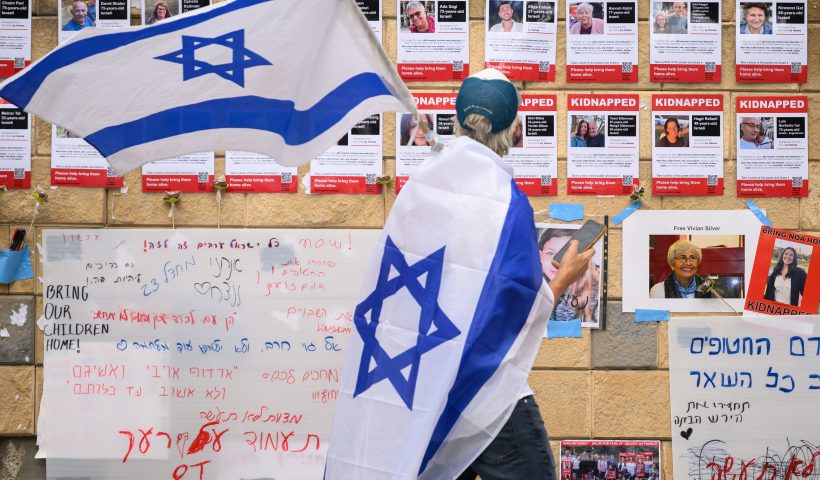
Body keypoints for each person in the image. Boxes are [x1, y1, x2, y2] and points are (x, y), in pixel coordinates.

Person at [451, 68, 594, 480]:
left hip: (431, 388)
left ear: (458, 124)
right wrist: (565, 275)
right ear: (514, 132)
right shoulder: (505, 202)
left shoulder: (424, 190)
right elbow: (514, 306)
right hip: (490, 391)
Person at [539, 228, 599, 324]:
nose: (556, 262)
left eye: (565, 254)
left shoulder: (595, 289)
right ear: (540, 255)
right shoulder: (528, 285)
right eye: (550, 253)